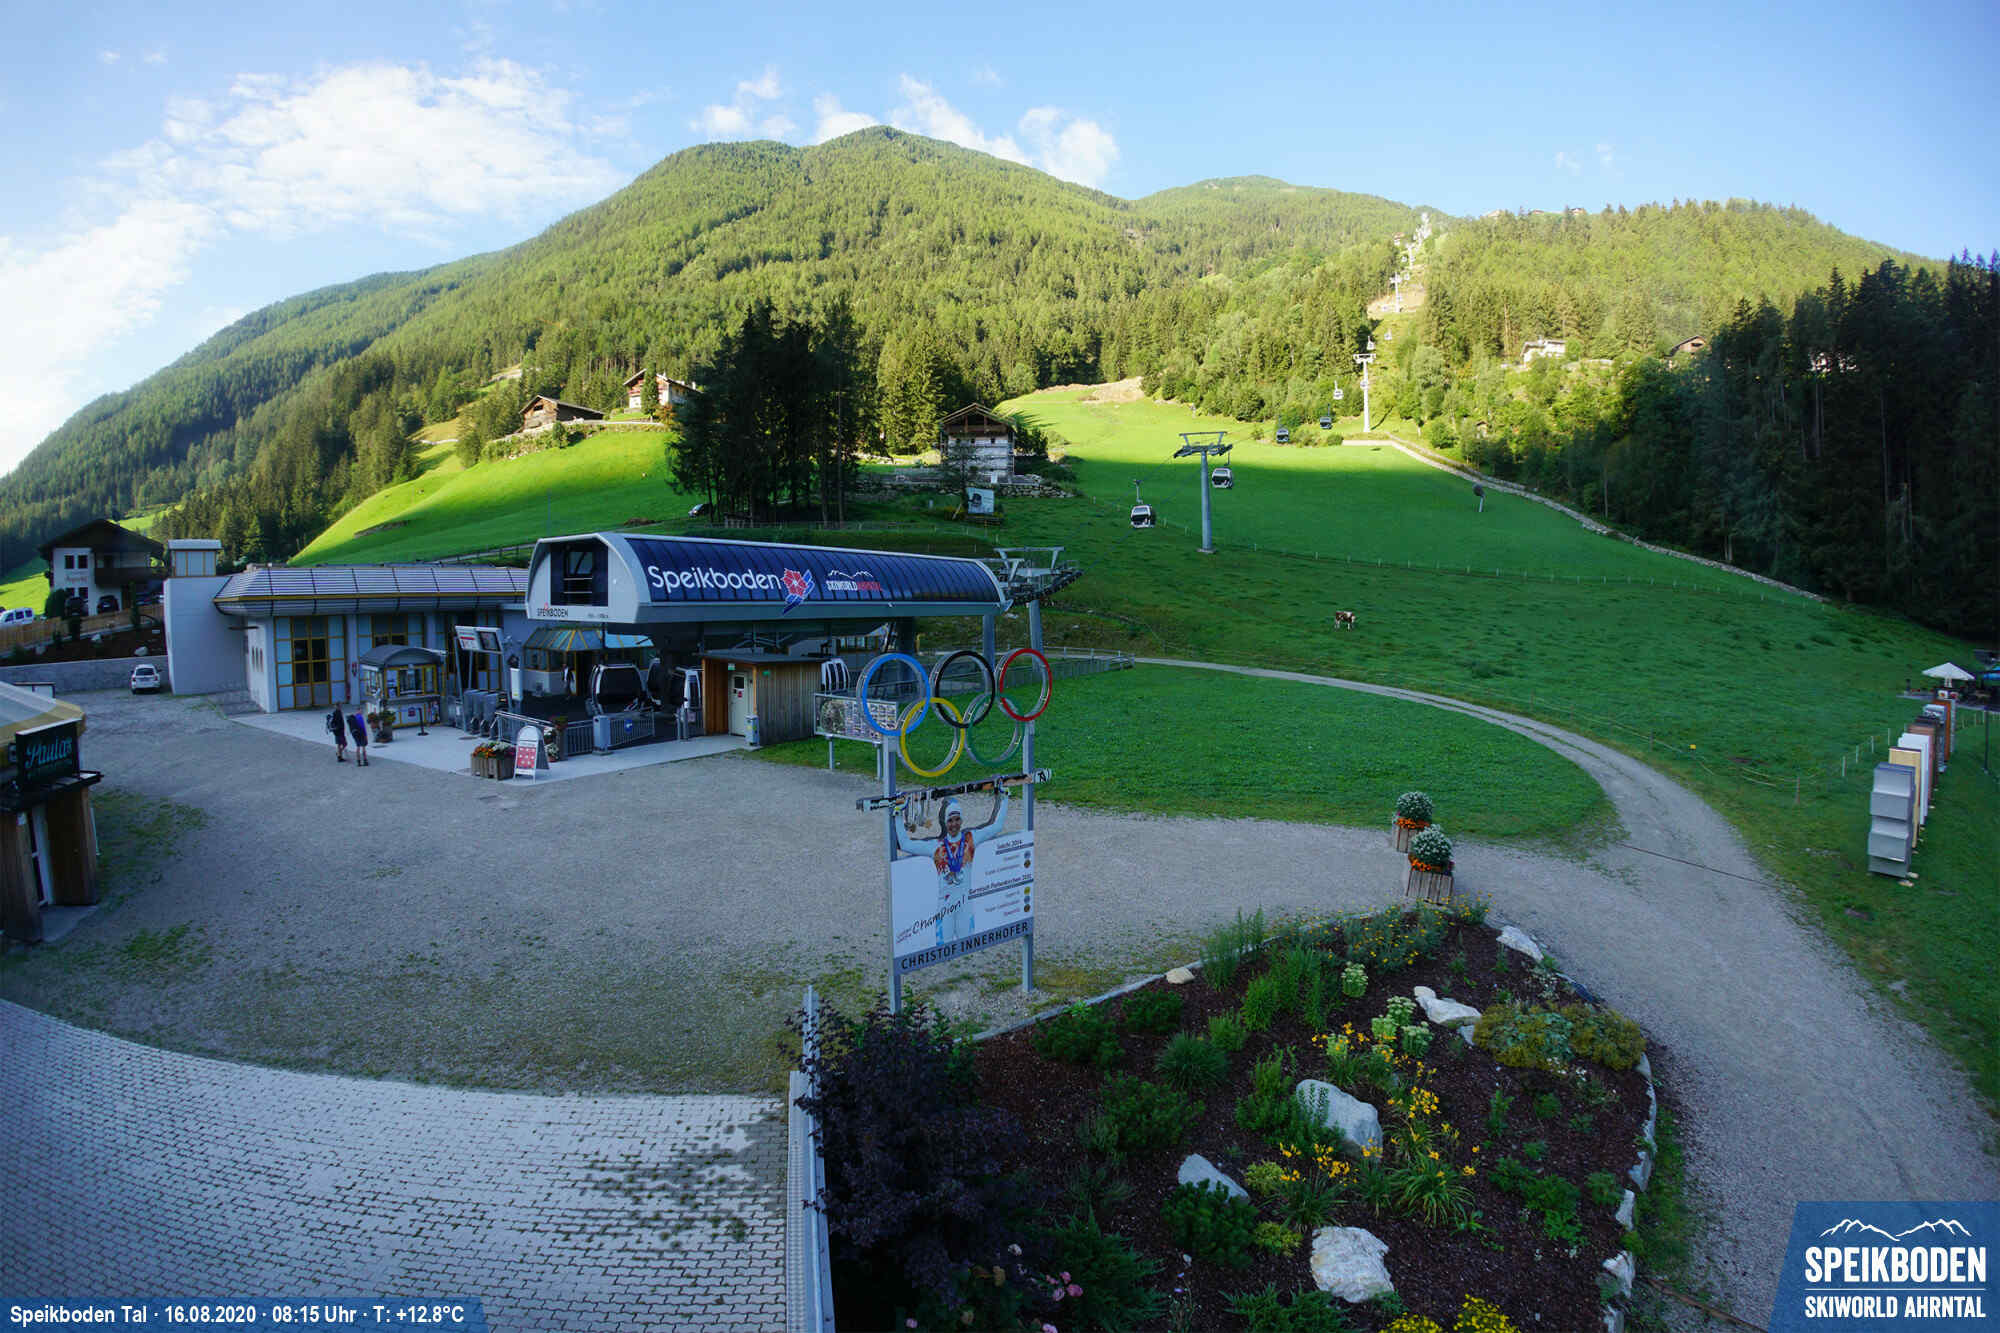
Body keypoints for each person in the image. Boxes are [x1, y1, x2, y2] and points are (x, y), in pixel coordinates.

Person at [894, 793, 1009, 946]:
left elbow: (997, 826)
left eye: (957, 819)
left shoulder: (971, 838)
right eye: (950, 820)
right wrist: (897, 813)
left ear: (962, 820)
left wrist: (1005, 797)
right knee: (942, 950)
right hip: (945, 908)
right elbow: (905, 844)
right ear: (944, 822)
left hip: (965, 905)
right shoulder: (936, 846)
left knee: (967, 946)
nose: (954, 824)